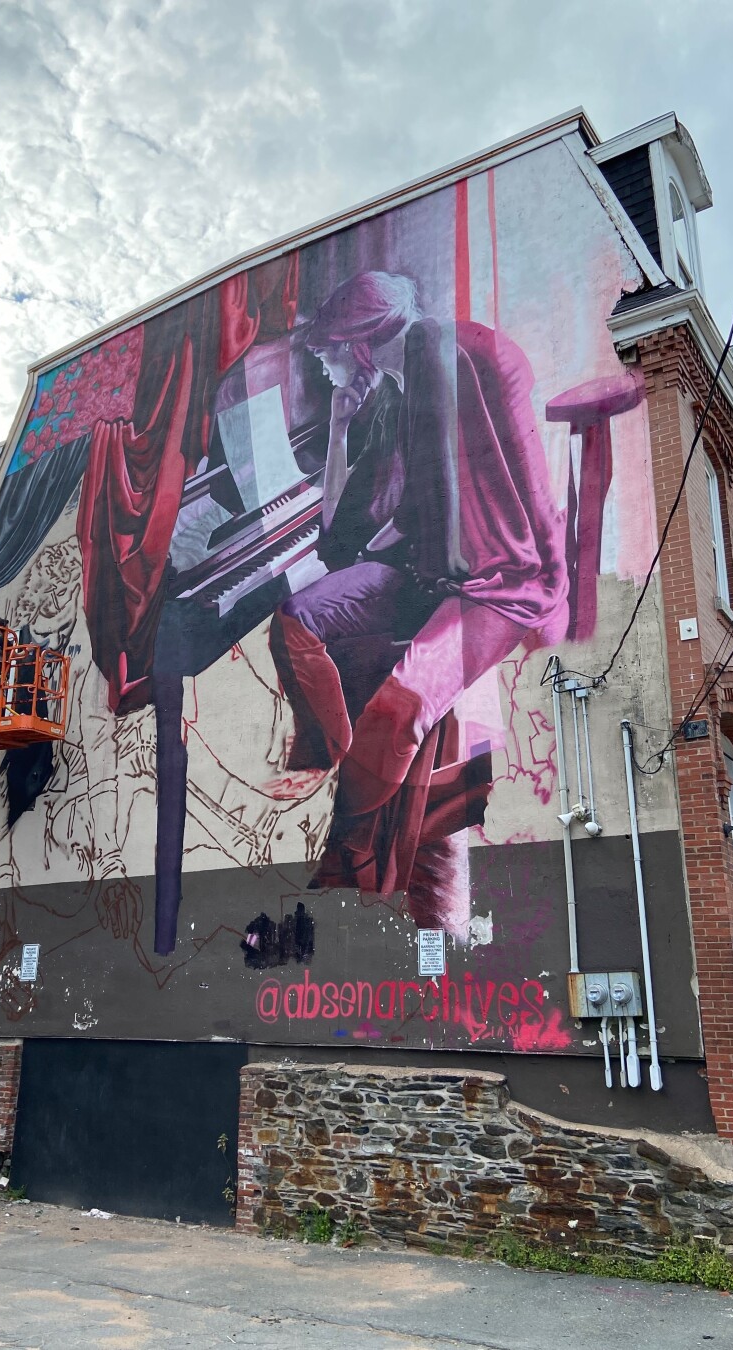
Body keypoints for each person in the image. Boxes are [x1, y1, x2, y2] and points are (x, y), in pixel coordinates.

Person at [268, 271, 568, 924]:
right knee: (297, 619)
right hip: (423, 569)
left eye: (327, 352)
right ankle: (339, 762)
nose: (321, 367)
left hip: (493, 586)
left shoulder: (454, 355)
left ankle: (352, 853)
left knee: (397, 707)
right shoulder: (400, 394)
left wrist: (552, 588)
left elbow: (517, 481)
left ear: (361, 343)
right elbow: (344, 529)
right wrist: (343, 429)